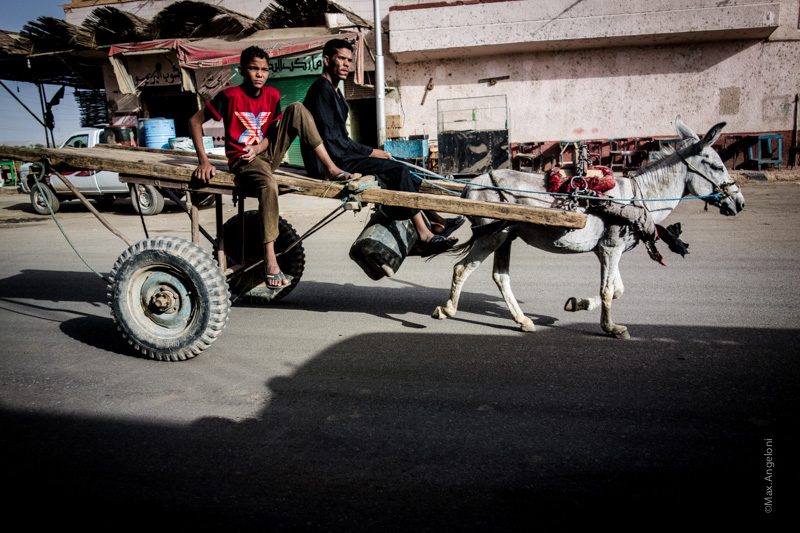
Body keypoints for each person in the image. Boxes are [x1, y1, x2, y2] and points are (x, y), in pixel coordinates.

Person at [190, 45, 352, 288]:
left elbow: (271, 135)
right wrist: (204, 160)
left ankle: (329, 167)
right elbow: (194, 121)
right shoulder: (230, 95)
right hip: (243, 161)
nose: (259, 74)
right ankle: (270, 259)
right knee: (269, 184)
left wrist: (258, 148)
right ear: (241, 71)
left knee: (297, 109)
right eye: (253, 68)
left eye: (264, 70)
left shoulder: (273, 95)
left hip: (266, 153)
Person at [302, 39, 463, 253]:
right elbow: (332, 141)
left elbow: (341, 139)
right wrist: (373, 152)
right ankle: (424, 234)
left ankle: (436, 221)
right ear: (326, 60)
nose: (346, 64)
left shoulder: (336, 91)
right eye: (341, 58)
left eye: (349, 60)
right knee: (398, 170)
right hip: (331, 162)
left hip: (340, 154)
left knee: (406, 166)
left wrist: (373, 153)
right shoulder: (321, 89)